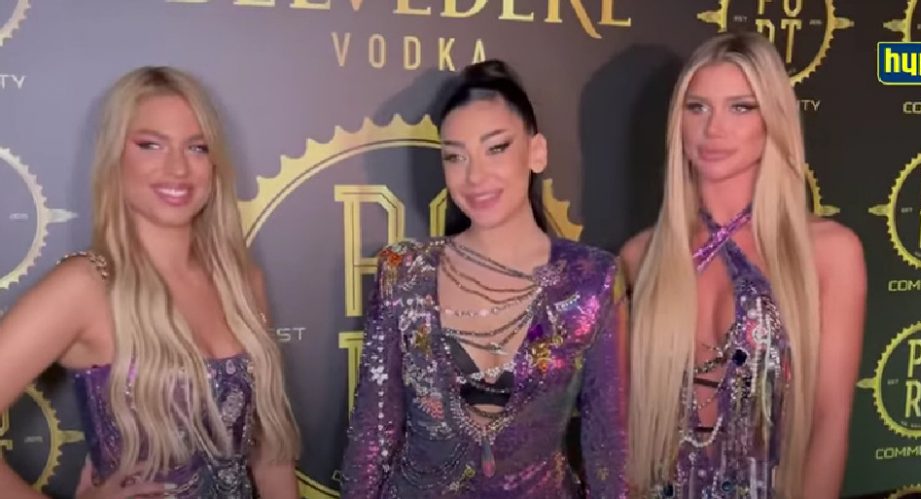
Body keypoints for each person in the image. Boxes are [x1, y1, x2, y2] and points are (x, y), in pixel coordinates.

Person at [0, 66, 301, 498]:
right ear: (115, 158)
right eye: (150, 145)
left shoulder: (243, 282)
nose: (177, 168)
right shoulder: (85, 287)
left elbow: (270, 450)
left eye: (197, 147)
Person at [339, 59, 629, 497]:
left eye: (496, 148)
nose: (475, 176)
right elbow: (370, 440)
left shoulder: (591, 281)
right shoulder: (405, 273)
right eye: (455, 156)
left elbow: (609, 453)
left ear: (536, 152)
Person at [620, 32, 867, 498]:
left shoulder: (830, 253)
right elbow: (627, 433)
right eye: (697, 108)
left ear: (773, 119)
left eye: (741, 107)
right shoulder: (640, 259)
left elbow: (829, 422)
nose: (714, 129)